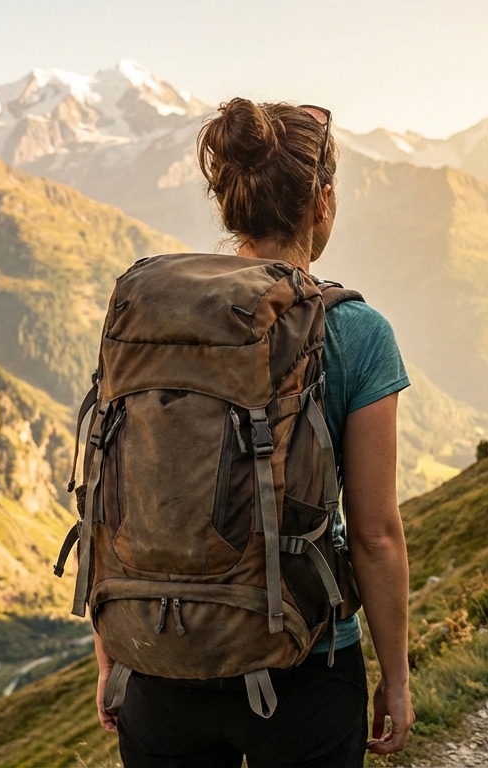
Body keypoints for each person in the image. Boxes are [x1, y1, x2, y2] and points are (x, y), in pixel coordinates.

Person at [92, 98, 415, 767]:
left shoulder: (150, 318)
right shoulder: (355, 332)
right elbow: (376, 534)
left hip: (160, 658)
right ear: (322, 202)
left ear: (229, 207)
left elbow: (115, 495)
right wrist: (398, 677)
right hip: (306, 662)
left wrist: (112, 655)